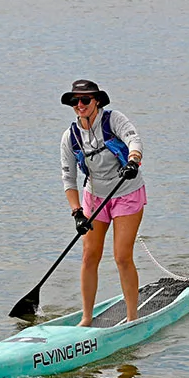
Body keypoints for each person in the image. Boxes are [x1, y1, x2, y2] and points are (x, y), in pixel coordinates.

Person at [60, 79, 145, 327]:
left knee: (121, 256)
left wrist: (133, 160)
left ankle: (132, 318)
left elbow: (134, 140)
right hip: (94, 197)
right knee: (89, 255)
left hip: (126, 190)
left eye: (85, 100)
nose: (80, 105)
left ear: (97, 101)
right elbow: (68, 178)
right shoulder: (70, 136)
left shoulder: (113, 120)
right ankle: (86, 319)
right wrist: (77, 212)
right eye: (75, 101)